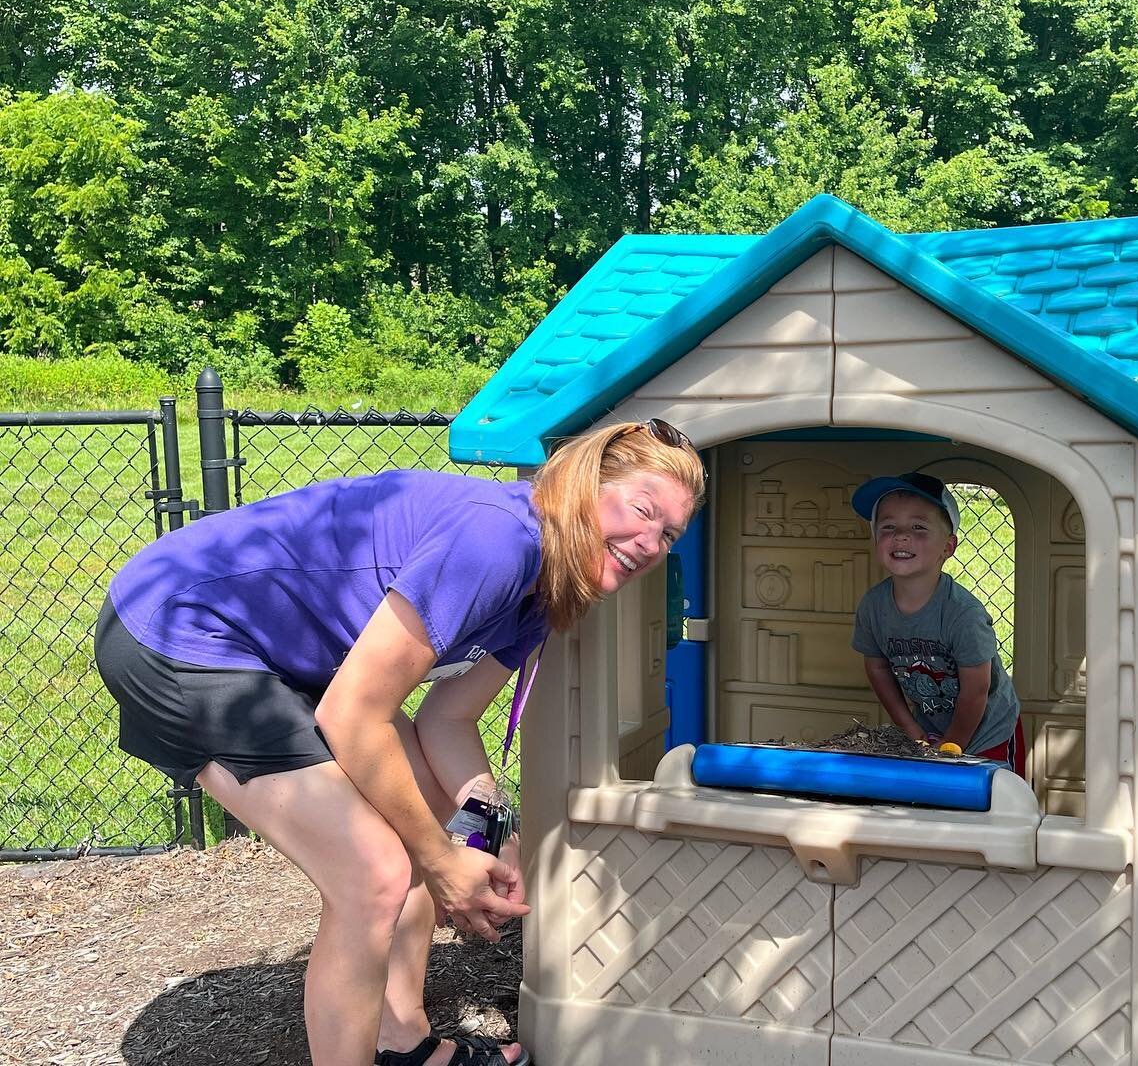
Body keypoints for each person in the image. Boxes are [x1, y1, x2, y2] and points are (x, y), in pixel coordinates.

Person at [94, 420, 706, 1066]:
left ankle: (402, 1041)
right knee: (376, 872)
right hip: (174, 627)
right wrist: (441, 861)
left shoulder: (544, 591)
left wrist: (489, 834)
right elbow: (354, 715)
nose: (649, 543)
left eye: (668, 534)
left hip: (273, 656)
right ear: (587, 482)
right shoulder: (496, 543)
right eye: (642, 510)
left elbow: (448, 721)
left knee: (430, 816)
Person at [849, 472, 1025, 773]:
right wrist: (911, 730)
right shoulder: (873, 607)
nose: (901, 535)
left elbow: (976, 690)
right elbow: (877, 667)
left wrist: (951, 747)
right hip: (929, 724)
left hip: (988, 731)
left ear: (948, 546)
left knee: (993, 803)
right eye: (888, 526)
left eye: (918, 527)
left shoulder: (962, 614)